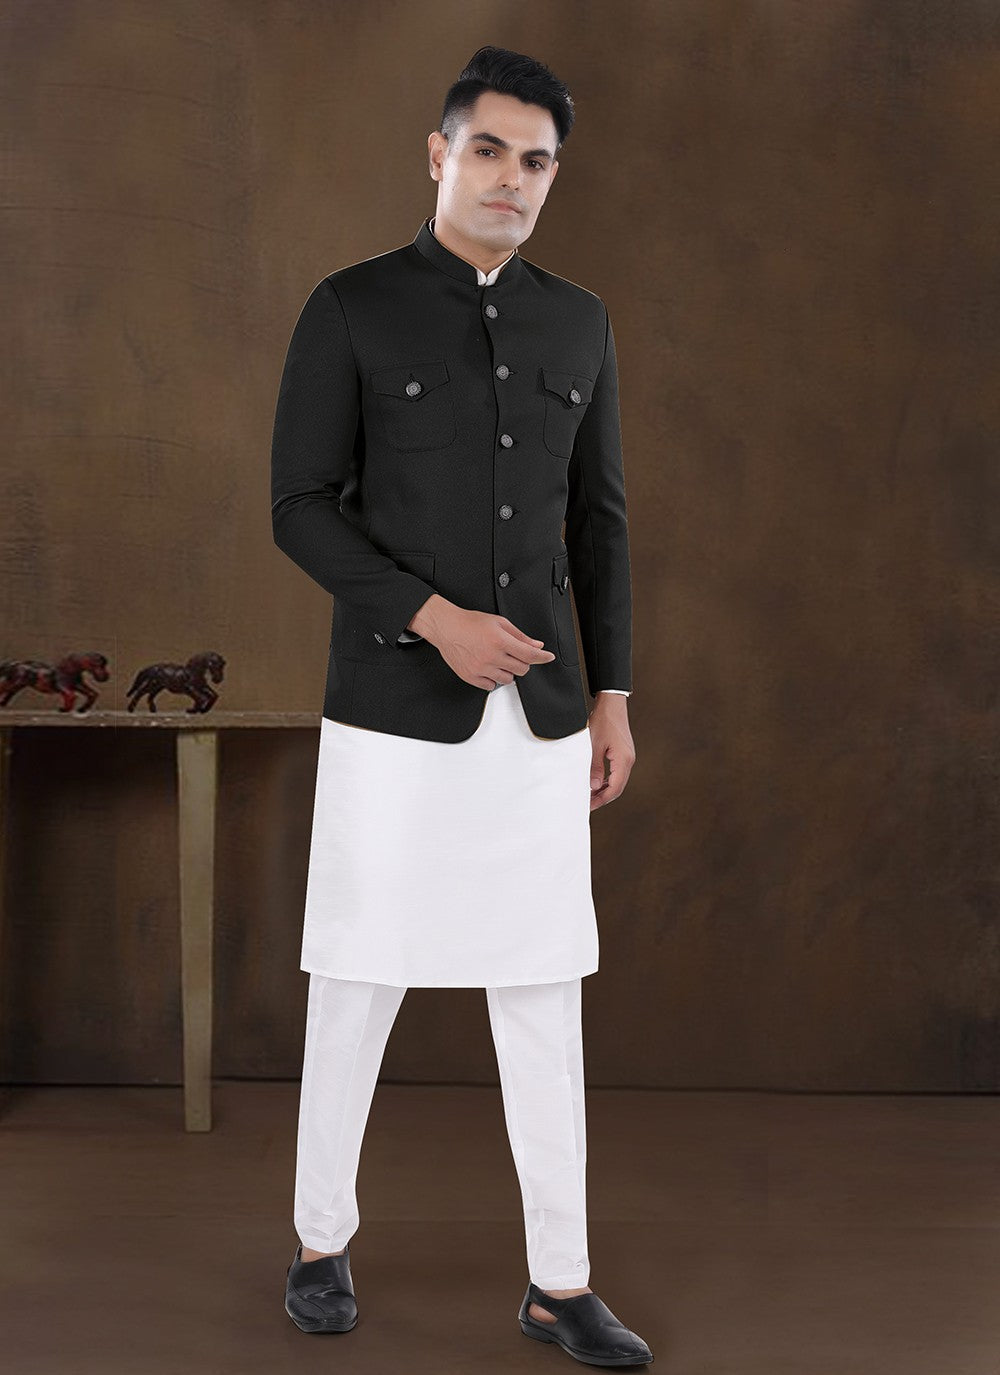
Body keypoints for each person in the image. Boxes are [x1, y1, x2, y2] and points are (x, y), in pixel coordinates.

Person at [271, 43, 650, 1366]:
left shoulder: (580, 322)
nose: (511, 179)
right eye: (488, 150)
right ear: (440, 154)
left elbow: (600, 525)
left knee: (543, 990)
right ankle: (318, 1243)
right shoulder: (351, 307)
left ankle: (562, 1283)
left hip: (540, 720)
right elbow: (297, 506)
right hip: (390, 708)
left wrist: (612, 694)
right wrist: (432, 618)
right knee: (356, 979)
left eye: (536, 161)